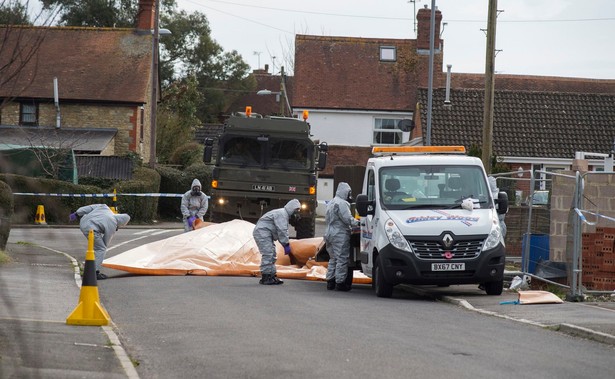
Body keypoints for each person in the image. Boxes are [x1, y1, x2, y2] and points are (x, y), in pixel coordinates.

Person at [69, 204, 130, 280]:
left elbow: (89, 208)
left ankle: (90, 267)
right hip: (91, 229)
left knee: (97, 248)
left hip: (83, 222)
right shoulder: (113, 223)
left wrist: (77, 213)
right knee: (101, 249)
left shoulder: (104, 207)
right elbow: (106, 240)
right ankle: (95, 272)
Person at [252, 199, 301, 285]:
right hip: (262, 232)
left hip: (265, 233)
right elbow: (282, 230)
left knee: (272, 253)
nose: (296, 213)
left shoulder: (283, 214)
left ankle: (272, 275)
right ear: (291, 208)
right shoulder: (282, 214)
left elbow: (281, 231)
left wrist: (285, 243)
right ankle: (266, 277)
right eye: (296, 210)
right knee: (268, 253)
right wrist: (286, 244)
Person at [324, 182, 359, 291]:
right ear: (346, 192)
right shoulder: (342, 203)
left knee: (333, 258)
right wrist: (358, 223)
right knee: (342, 259)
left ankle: (330, 281)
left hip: (329, 233)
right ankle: (340, 283)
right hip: (339, 234)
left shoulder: (331, 202)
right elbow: (347, 218)